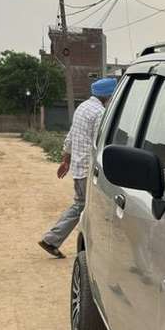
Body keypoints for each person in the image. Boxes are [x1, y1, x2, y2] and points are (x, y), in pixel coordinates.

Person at [39, 77, 118, 258]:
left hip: (78, 168)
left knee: (82, 206)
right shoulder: (99, 113)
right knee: (89, 208)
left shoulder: (82, 108)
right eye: (113, 95)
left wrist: (66, 160)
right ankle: (53, 240)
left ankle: (53, 240)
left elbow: (71, 136)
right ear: (108, 95)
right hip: (89, 170)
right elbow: (101, 143)